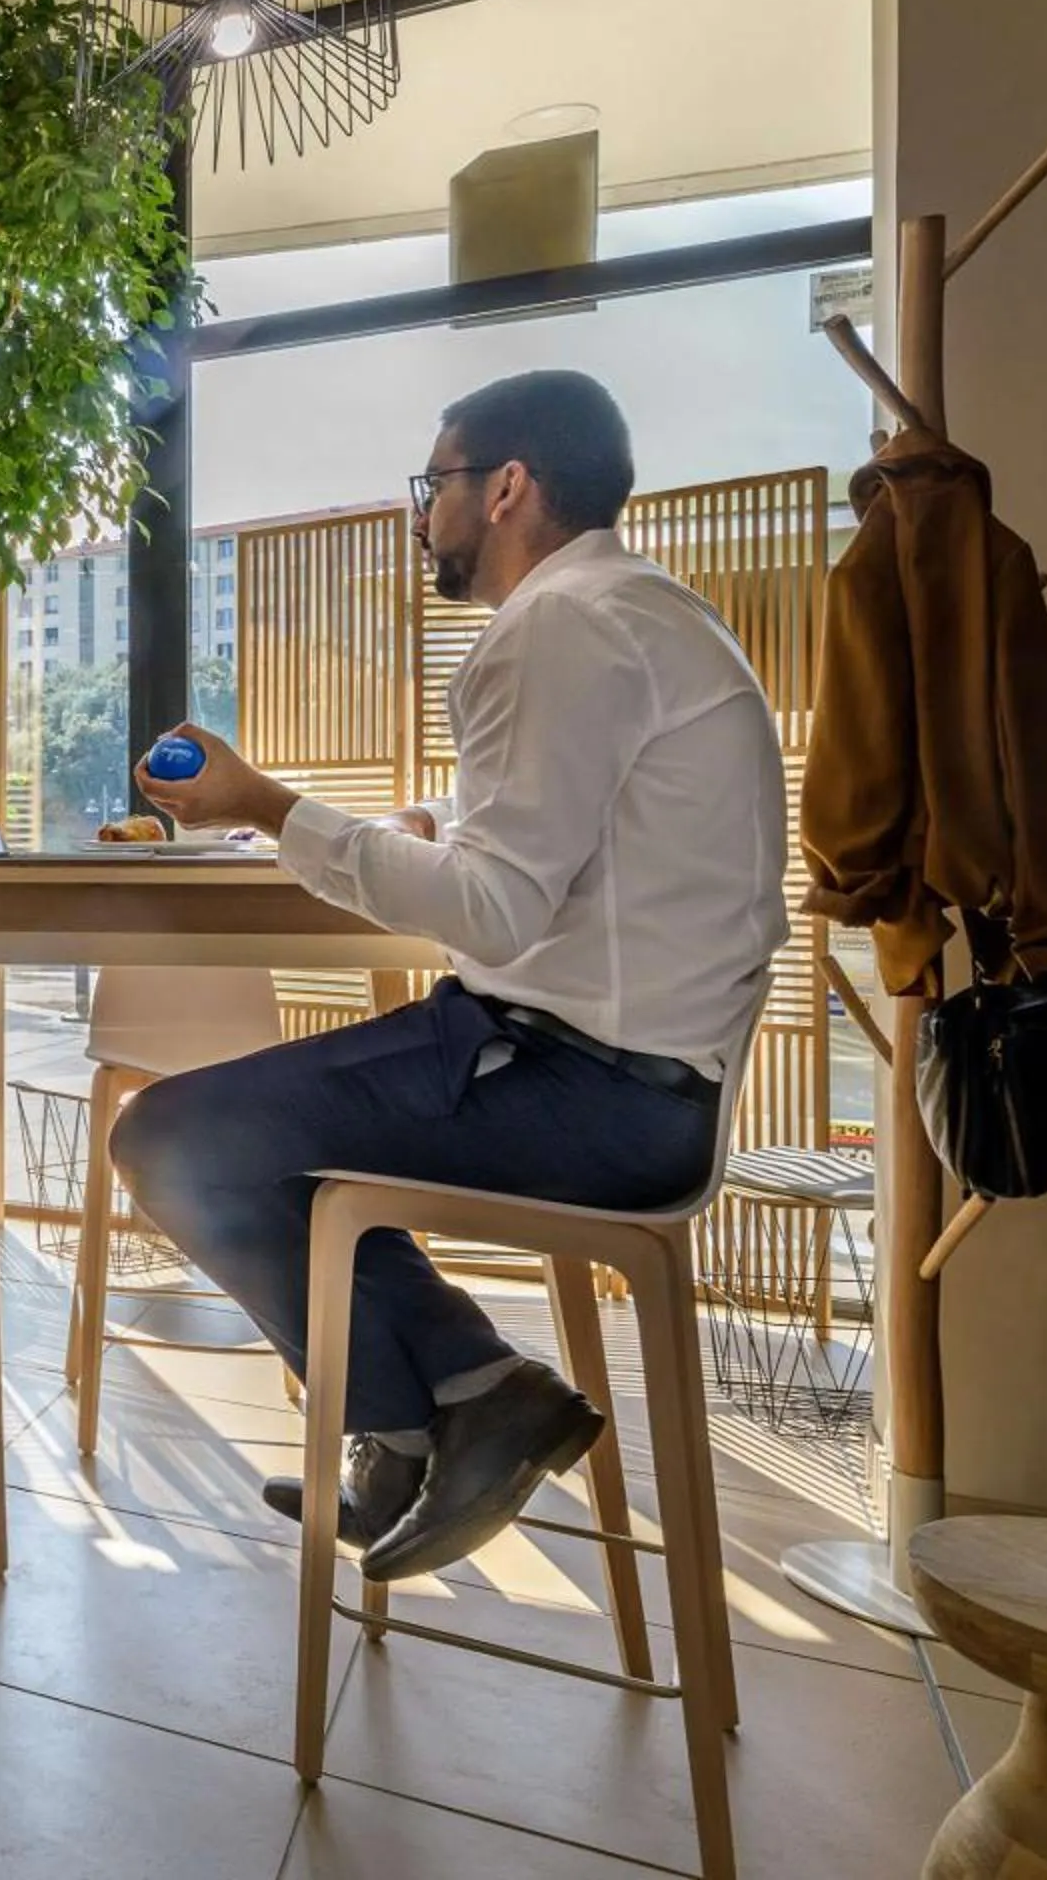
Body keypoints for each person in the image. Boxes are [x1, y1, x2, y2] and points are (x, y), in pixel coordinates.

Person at [111, 370, 787, 1581]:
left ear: (508, 486)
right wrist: (427, 822)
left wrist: (264, 802)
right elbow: (548, 838)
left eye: (435, 484)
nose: (423, 514)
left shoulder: (559, 625)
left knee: (171, 1135)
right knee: (276, 1141)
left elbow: (493, 908)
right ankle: (434, 1418)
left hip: (580, 1085)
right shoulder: (648, 615)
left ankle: (450, 1404)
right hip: (640, 1083)